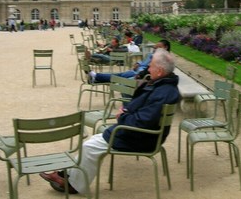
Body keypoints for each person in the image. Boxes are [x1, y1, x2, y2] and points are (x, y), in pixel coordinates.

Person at [39, 48, 180, 194]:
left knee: (90, 146)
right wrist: (126, 111)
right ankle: (67, 174)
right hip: (138, 133)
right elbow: (144, 113)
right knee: (91, 142)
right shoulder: (163, 86)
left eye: (151, 66)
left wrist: (123, 115)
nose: (148, 68)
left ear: (160, 71)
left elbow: (142, 121)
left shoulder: (163, 92)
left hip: (140, 137)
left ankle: (74, 185)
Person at [89, 39, 170, 83]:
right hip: (137, 70)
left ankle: (96, 77)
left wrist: (140, 73)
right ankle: (96, 77)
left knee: (119, 77)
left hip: (140, 74)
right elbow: (144, 62)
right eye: (155, 47)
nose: (155, 49)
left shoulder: (162, 59)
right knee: (119, 75)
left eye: (157, 47)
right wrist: (138, 63)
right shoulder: (152, 54)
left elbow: (151, 69)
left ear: (165, 48)